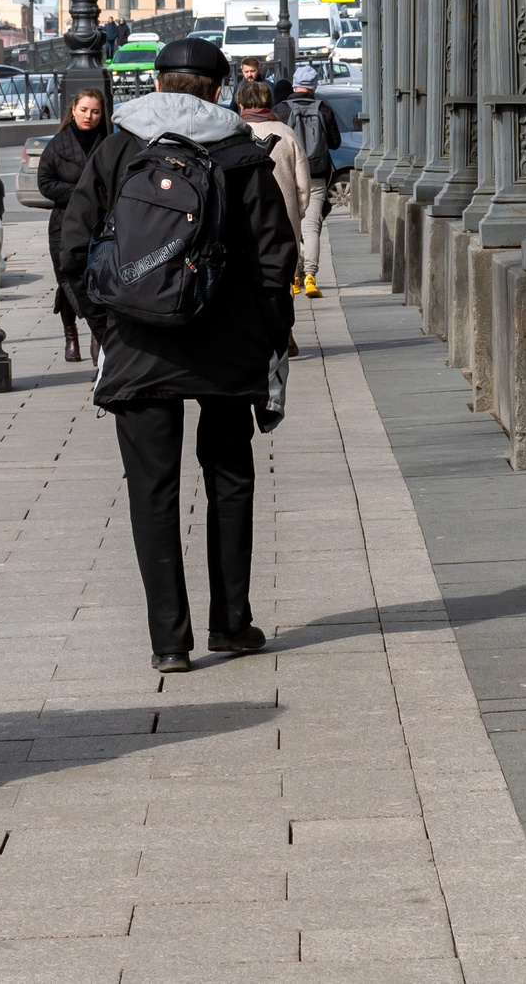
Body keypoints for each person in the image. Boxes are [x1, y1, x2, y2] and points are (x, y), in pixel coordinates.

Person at [55, 38, 297, 673]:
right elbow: (276, 258)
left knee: (152, 489)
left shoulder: (117, 148)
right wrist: (270, 337)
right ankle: (232, 623)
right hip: (227, 346)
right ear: (218, 90)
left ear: (158, 85)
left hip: (138, 344)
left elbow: (73, 244)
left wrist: (106, 325)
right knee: (230, 480)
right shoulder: (243, 154)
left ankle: (169, 642)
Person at [36, 86, 110, 363]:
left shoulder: (108, 143)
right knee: (68, 280)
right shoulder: (58, 144)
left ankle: (97, 334)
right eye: (83, 110)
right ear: (73, 110)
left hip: (100, 224)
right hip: (64, 225)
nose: (88, 116)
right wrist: (81, 192)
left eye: (94, 111)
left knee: (98, 280)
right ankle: (70, 336)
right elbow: (45, 183)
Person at [278, 66, 342, 299]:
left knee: (289, 224)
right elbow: (335, 143)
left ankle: (293, 277)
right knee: (311, 226)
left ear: (294, 83)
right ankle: (311, 276)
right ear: (314, 86)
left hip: (289, 175)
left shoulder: (282, 110)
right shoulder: (324, 110)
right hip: (316, 175)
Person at [238, 81, 306, 281]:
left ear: (241, 105)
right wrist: (297, 212)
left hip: (246, 217)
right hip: (284, 215)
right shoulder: (286, 133)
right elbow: (303, 185)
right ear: (269, 102)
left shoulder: (235, 133)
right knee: (284, 278)